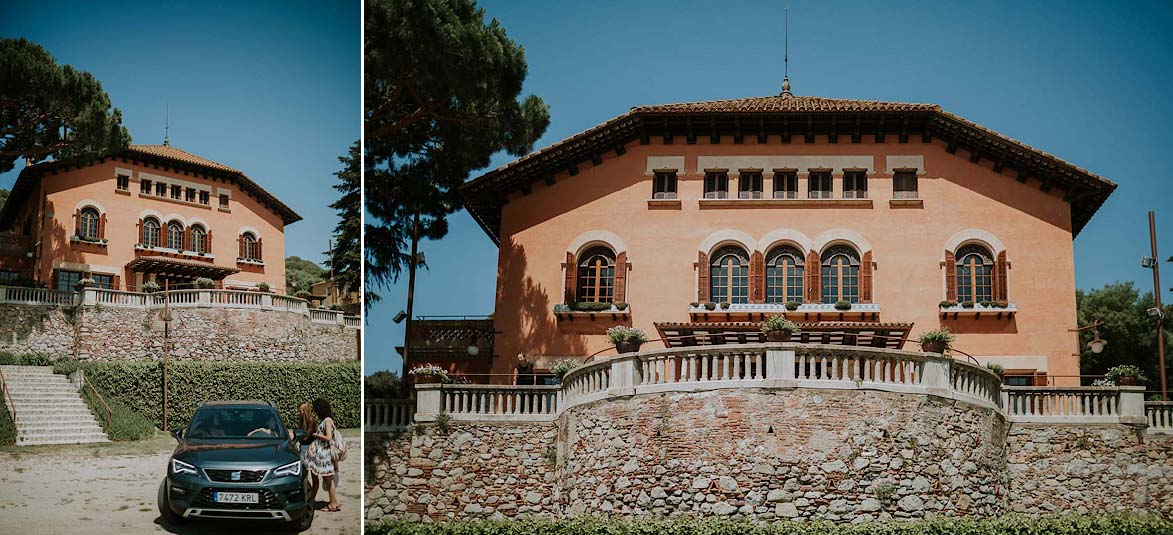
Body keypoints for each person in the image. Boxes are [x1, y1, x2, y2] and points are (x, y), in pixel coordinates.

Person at [307, 398, 341, 512]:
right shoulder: (327, 420)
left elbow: (328, 437)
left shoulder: (327, 420)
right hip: (323, 454)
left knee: (328, 479)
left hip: (325, 455)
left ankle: (333, 504)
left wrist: (316, 435)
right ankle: (334, 502)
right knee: (328, 479)